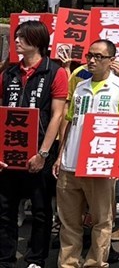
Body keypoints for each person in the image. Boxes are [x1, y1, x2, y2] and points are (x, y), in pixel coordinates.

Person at [54, 39, 119, 268]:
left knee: (102, 221)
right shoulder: (79, 86)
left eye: (99, 56)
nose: (92, 60)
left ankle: (95, 263)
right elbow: (69, 123)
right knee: (69, 222)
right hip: (71, 164)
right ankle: (68, 263)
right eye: (90, 55)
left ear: (111, 60)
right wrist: (60, 155)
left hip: (100, 164)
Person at [0, 20, 67, 268]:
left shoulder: (55, 72)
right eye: (16, 37)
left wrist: (43, 153)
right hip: (10, 151)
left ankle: (36, 257)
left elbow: (57, 114)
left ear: (37, 41)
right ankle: (5, 257)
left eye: (22, 37)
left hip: (40, 149)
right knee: (5, 208)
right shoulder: (9, 73)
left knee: (40, 208)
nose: (16, 41)